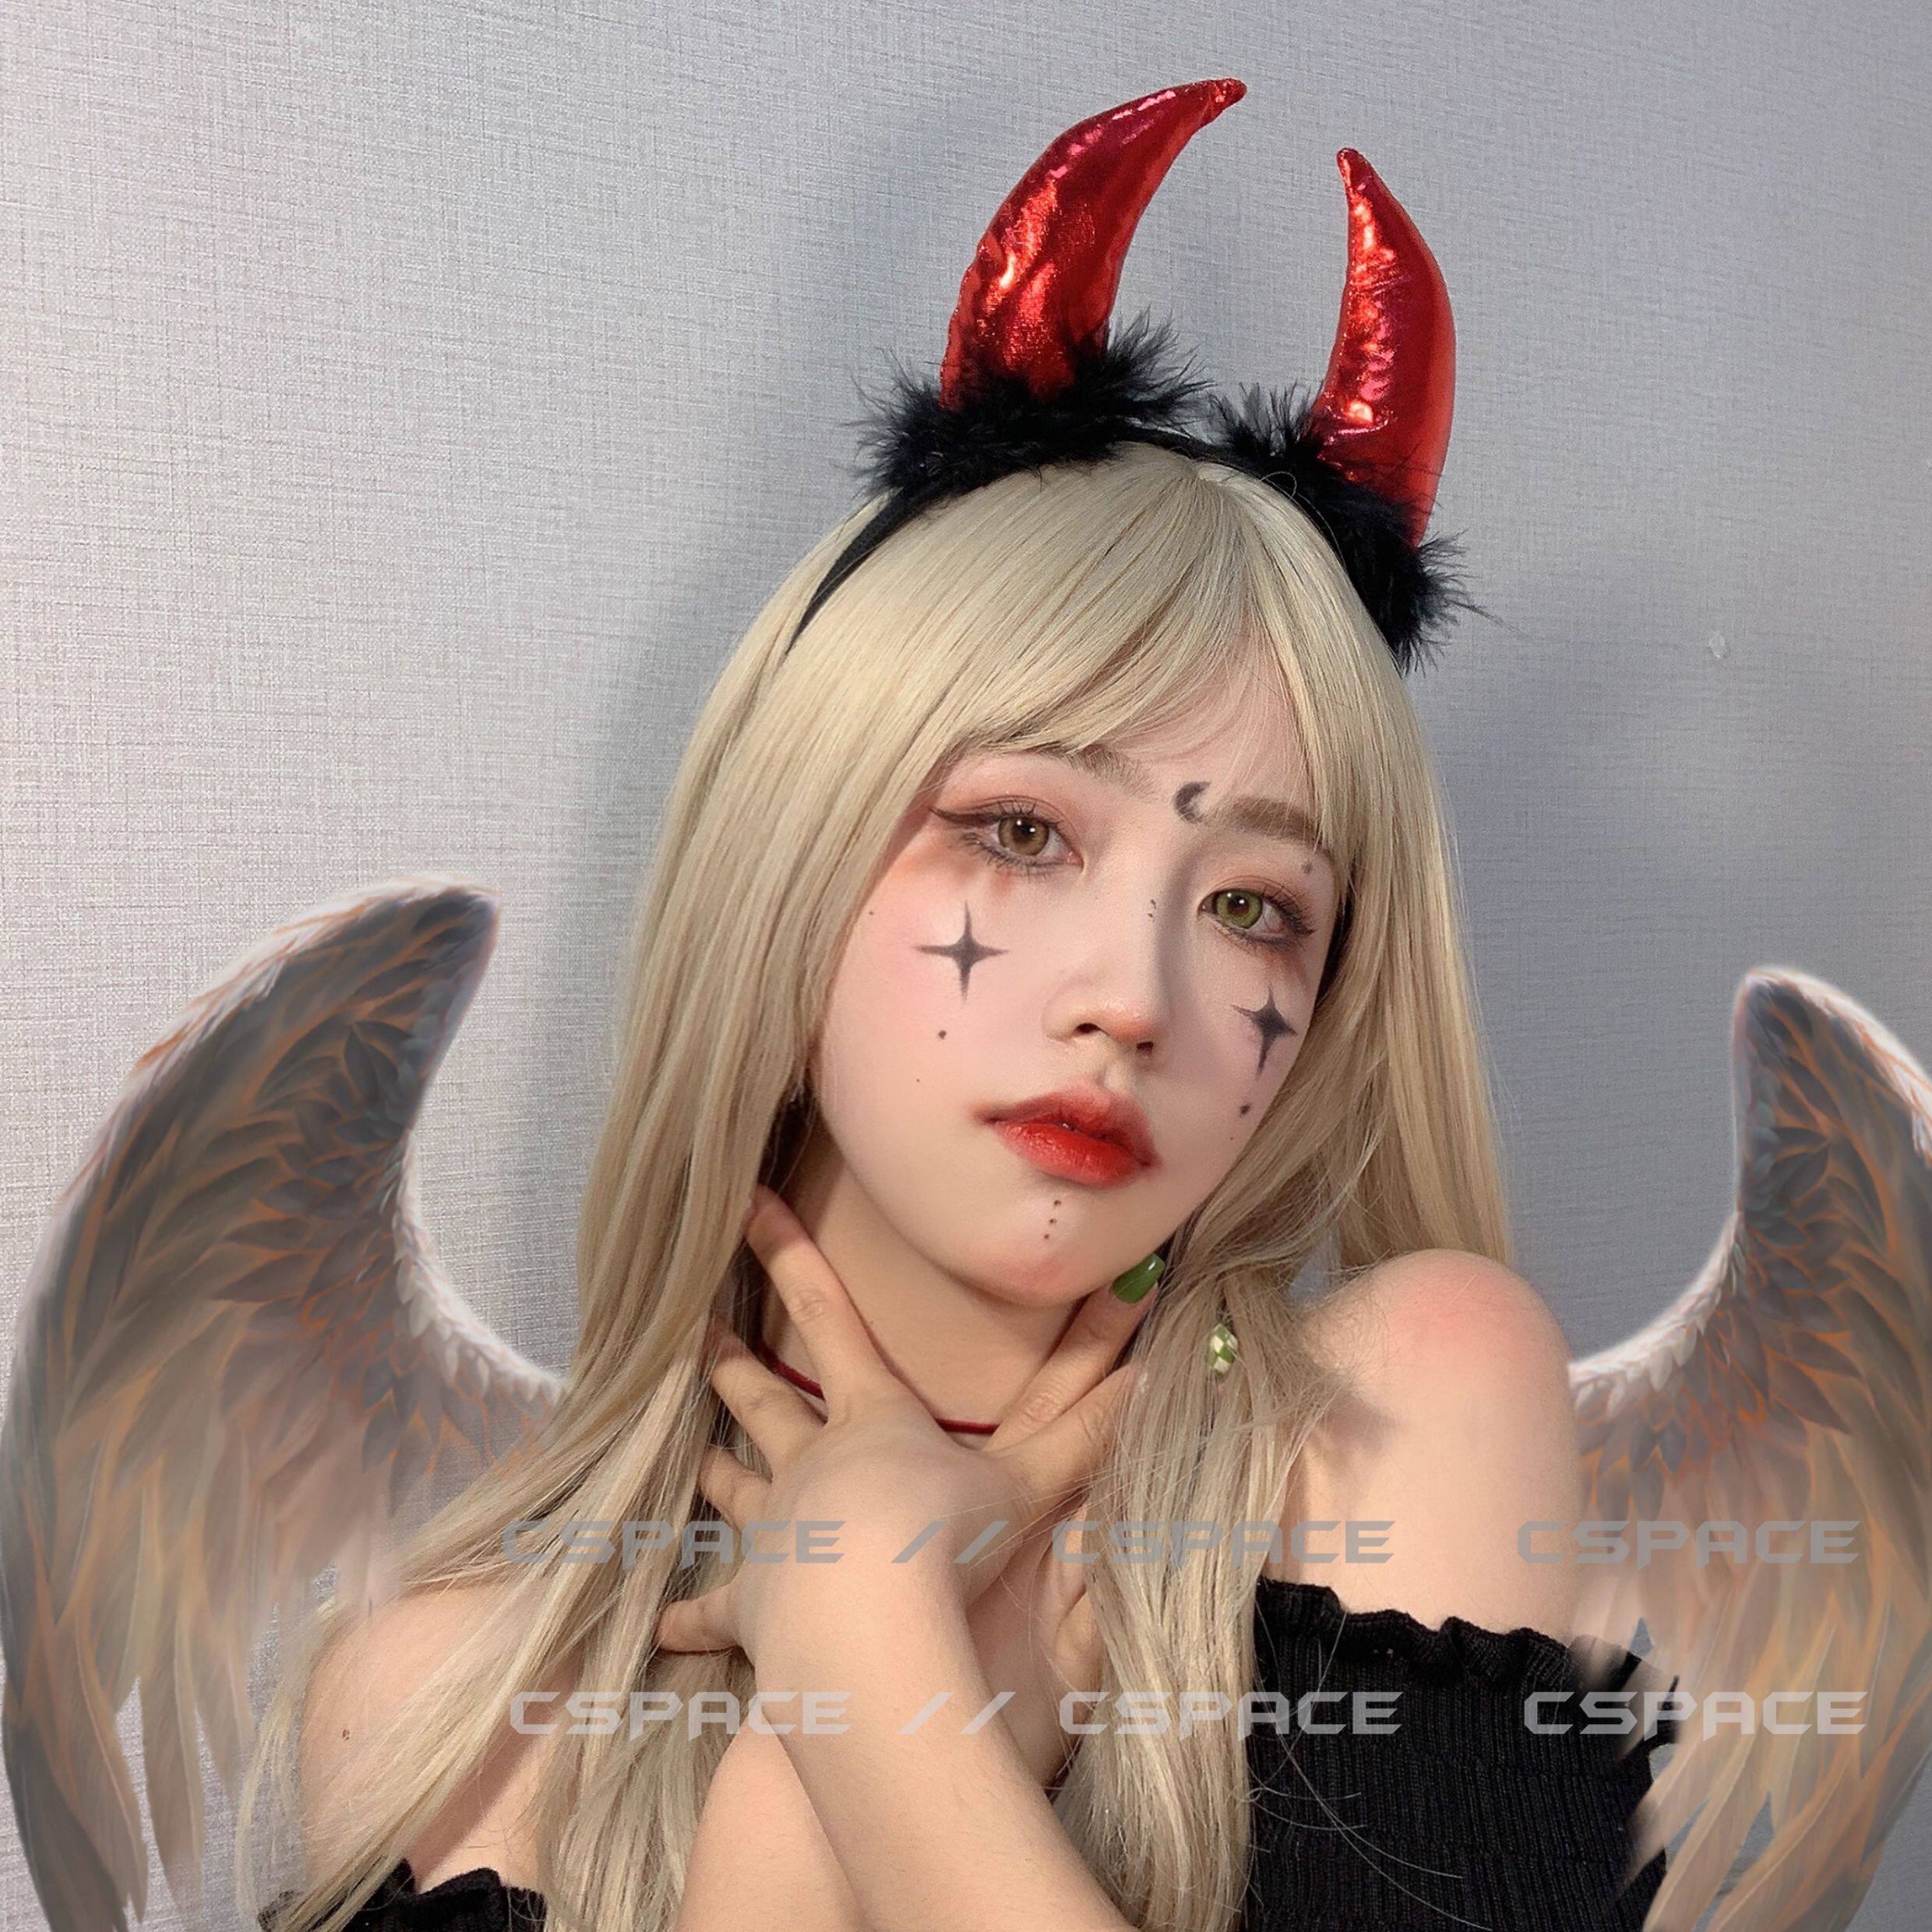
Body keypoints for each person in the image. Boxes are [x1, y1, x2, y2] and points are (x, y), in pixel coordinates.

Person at [246, 80, 1669, 1932]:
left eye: (1252, 906)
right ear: (791, 855)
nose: (1132, 997)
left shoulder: (1387, 1423)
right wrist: (798, 1794)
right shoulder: (444, 1706)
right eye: (1018, 830)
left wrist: (864, 1680)